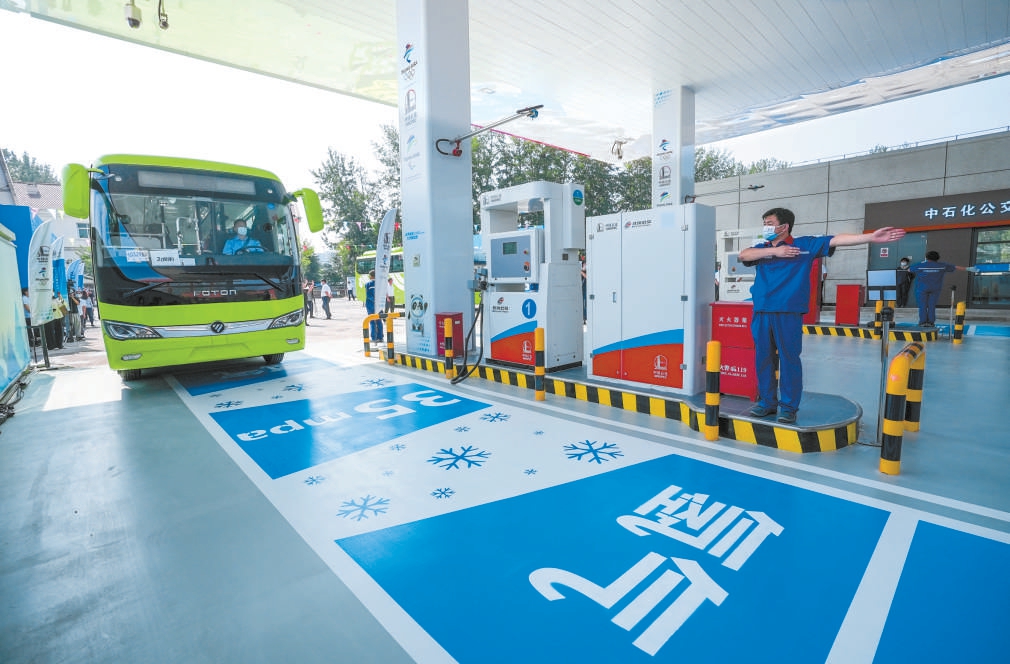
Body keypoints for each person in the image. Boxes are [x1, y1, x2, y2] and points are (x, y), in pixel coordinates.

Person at [738, 208, 906, 424]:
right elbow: (744, 255)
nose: (765, 227)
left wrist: (870, 237)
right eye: (764, 223)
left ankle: (788, 407)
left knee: (789, 360)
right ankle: (767, 403)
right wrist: (776, 252)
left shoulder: (804, 245)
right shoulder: (762, 249)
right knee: (763, 359)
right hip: (762, 311)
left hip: (788, 312)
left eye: (769, 223)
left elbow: (836, 239)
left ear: (784, 226)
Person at [908, 251, 966, 327]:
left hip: (922, 288)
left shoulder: (920, 265)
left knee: (922, 306)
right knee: (932, 306)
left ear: (926, 257)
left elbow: (909, 269)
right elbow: (955, 267)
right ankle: (931, 322)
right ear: (937, 258)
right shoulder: (942, 266)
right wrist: (968, 269)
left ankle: (923, 322)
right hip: (935, 289)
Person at [364, 270, 383, 343]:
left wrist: (374, 301)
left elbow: (368, 295)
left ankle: (374, 338)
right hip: (379, 305)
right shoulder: (380, 284)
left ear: (371, 276)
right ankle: (380, 337)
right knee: (379, 320)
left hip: (370, 305)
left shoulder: (368, 284)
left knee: (372, 321)